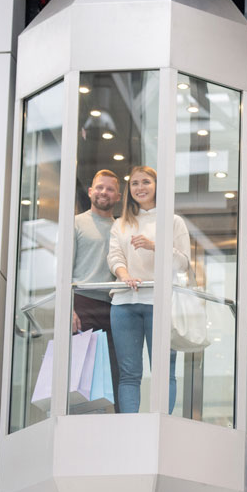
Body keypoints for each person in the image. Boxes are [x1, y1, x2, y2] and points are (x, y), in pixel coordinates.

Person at [107, 166, 190, 414]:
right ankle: (129, 428)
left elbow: (183, 263)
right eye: (134, 183)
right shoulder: (120, 223)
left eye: (146, 182)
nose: (140, 188)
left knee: (164, 371)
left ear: (157, 186)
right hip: (124, 302)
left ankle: (162, 425)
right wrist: (125, 276)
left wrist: (155, 246)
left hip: (160, 302)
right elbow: (115, 257)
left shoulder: (173, 222)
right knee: (128, 373)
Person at [72, 169, 121, 408]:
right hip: (82, 303)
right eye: (99, 187)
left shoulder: (122, 228)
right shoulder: (76, 223)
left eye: (110, 189)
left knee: (113, 373)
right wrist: (68, 309)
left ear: (118, 197)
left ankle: (115, 424)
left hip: (114, 307)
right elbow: (63, 272)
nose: (104, 192)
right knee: (81, 375)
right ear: (91, 191)